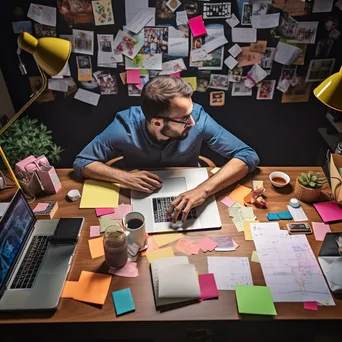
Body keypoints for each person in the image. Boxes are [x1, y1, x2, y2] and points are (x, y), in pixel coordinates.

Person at [73, 76, 259, 222]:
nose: (193, 122)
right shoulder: (124, 126)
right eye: (185, 118)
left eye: (191, 112)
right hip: (139, 198)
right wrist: (124, 177)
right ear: (157, 122)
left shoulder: (198, 118)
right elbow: (82, 162)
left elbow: (247, 155)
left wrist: (202, 191)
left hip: (192, 191)